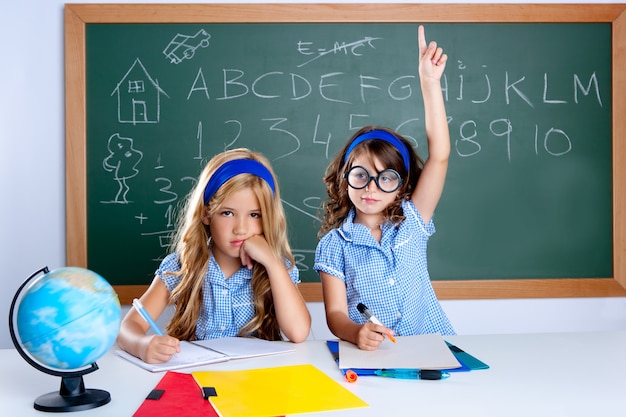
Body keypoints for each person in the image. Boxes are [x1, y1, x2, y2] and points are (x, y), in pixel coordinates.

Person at [314, 25, 455, 351]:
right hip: (375, 356)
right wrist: (355, 332)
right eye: (360, 175)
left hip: (431, 347)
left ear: (402, 185)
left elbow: (441, 155)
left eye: (386, 177)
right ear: (344, 178)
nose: (371, 188)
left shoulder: (413, 218)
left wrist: (430, 83)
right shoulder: (335, 245)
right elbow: (335, 314)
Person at [117, 148, 311, 364]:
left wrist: (273, 264)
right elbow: (128, 328)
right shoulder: (181, 266)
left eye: (254, 215)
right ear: (206, 214)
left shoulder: (277, 269)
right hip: (198, 379)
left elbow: (298, 332)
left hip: (258, 382)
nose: (241, 229)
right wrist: (142, 345)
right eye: (227, 213)